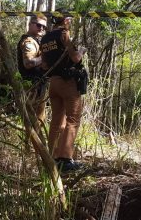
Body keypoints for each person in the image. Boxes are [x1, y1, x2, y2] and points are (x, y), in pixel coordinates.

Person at [40, 14, 87, 172]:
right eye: (70, 20)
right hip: (68, 83)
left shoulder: (45, 38)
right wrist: (80, 51)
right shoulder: (64, 34)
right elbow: (75, 58)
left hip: (53, 82)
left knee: (56, 120)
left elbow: (45, 65)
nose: (70, 23)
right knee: (73, 119)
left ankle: (52, 156)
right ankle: (65, 159)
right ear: (65, 21)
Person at [17, 16, 48, 123]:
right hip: (32, 86)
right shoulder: (28, 41)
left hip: (38, 85)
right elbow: (28, 63)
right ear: (30, 24)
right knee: (32, 120)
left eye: (44, 27)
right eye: (39, 25)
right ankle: (32, 140)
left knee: (39, 120)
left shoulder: (36, 41)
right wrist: (45, 57)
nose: (42, 28)